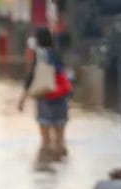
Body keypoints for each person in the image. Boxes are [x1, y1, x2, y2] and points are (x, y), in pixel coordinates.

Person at [17, 28, 71, 161]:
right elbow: (65, 76)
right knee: (60, 139)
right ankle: (60, 164)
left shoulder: (39, 55)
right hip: (61, 100)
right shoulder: (57, 55)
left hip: (46, 100)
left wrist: (22, 100)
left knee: (45, 141)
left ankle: (47, 165)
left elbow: (31, 78)